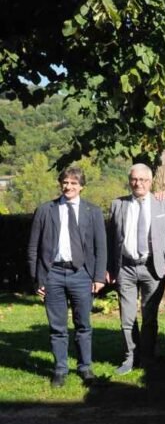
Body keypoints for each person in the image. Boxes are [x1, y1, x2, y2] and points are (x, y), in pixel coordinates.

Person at [27, 165, 107, 387]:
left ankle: (85, 367)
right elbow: (33, 247)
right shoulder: (45, 210)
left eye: (73, 183)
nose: (68, 186)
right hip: (52, 274)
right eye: (65, 182)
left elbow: (101, 247)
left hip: (82, 274)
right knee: (57, 327)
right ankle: (60, 369)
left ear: (82, 186)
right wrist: (37, 279)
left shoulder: (93, 211)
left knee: (83, 324)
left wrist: (99, 277)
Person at [107, 163, 165, 375]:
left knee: (149, 317)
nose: (138, 183)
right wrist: (109, 268)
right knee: (127, 318)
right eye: (134, 179)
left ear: (151, 181)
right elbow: (111, 239)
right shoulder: (117, 204)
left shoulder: (164, 205)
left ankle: (147, 357)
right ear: (129, 181)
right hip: (125, 268)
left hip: (152, 268)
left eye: (143, 180)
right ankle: (130, 357)